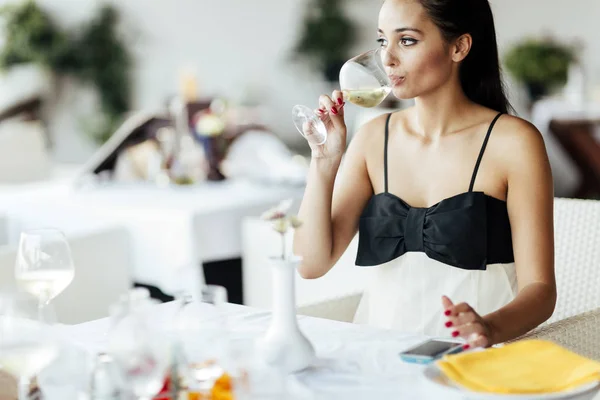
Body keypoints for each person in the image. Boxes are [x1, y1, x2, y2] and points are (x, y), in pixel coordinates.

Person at [292, 0, 556, 349]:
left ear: (459, 46)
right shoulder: (373, 137)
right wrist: (324, 161)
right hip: (383, 352)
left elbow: (541, 290)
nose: (387, 59)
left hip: (479, 355)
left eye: (407, 40)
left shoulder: (514, 142)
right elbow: (310, 264)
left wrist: (487, 329)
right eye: (383, 40)